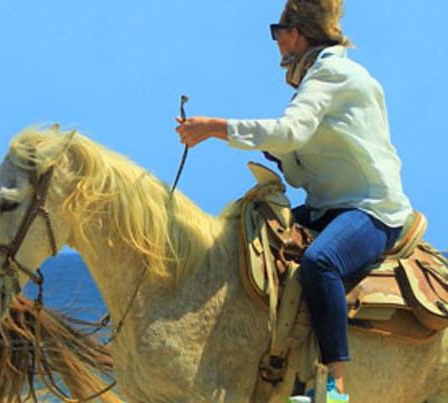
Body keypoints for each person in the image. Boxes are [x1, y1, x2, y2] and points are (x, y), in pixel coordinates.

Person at [173, 0, 411, 401]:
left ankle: (335, 385)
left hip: (370, 210)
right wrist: (283, 157)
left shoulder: (332, 74)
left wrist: (216, 128)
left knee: (321, 263)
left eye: (276, 31)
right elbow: (302, 155)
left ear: (295, 33)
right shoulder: (319, 78)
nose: (275, 42)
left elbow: (289, 132)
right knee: (245, 236)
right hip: (328, 207)